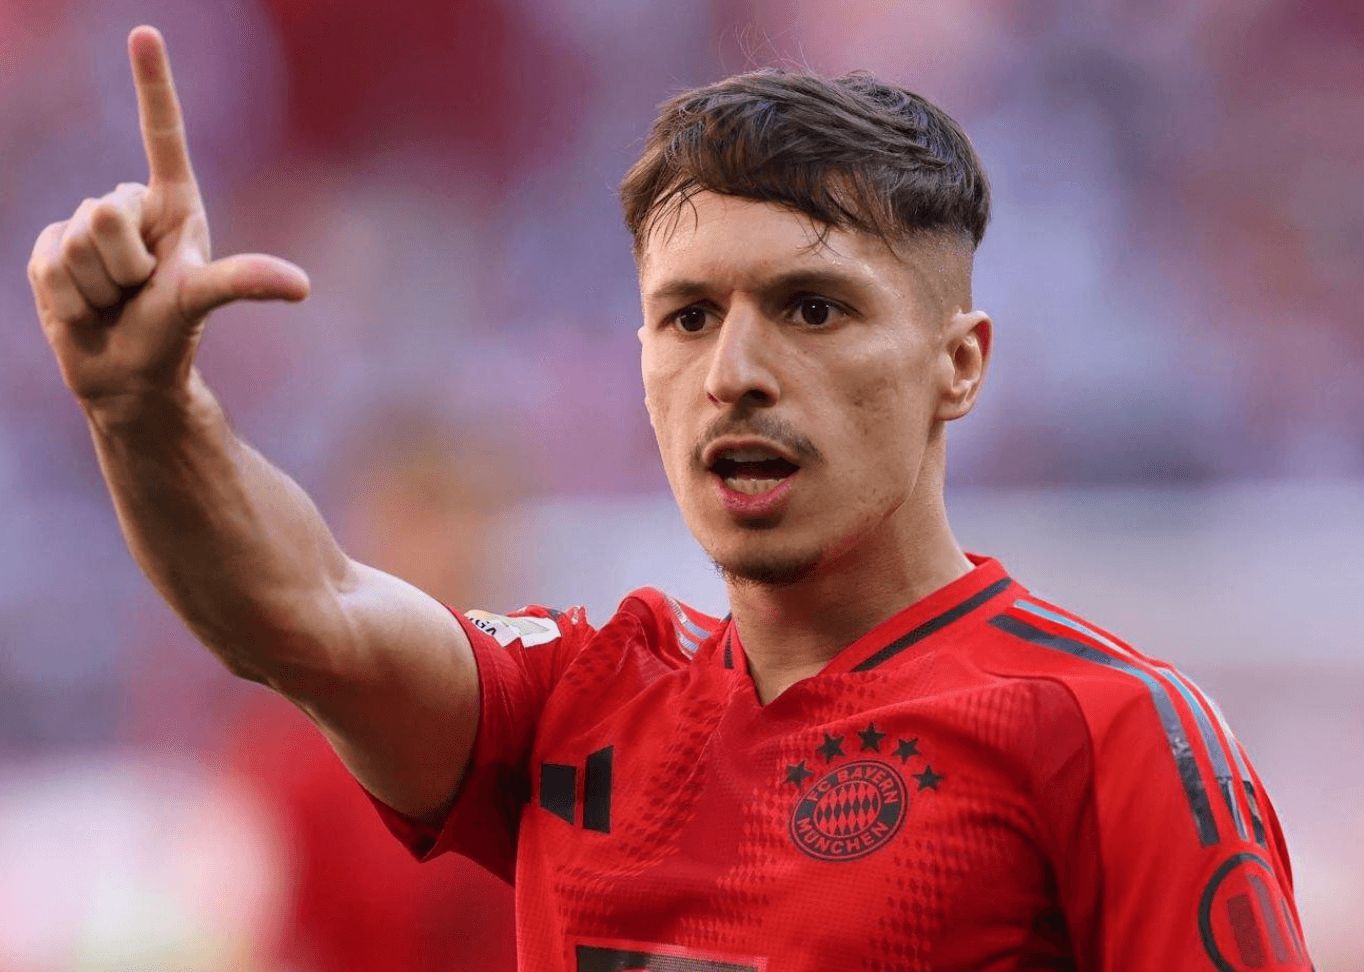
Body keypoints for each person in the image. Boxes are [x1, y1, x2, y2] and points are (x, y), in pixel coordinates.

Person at [28, 24, 1311, 972]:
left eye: (812, 309)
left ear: (956, 364)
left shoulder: (1109, 736)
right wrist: (143, 411)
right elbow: (299, 609)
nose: (735, 376)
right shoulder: (579, 702)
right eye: (685, 318)